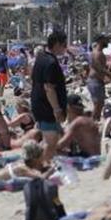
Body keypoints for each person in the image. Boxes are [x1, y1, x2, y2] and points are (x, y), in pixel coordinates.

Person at [31, 30, 68, 162]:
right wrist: (56, 109)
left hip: (38, 103)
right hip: (47, 107)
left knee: (51, 138)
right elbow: (49, 88)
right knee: (50, 142)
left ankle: (40, 162)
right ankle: (40, 166)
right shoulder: (51, 62)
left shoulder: (41, 57)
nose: (65, 48)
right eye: (64, 45)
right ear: (57, 44)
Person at [87, 36, 111, 121]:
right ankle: (92, 123)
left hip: (97, 81)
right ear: (100, 41)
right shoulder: (97, 53)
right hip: (95, 81)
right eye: (106, 40)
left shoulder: (98, 52)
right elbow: (98, 67)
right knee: (98, 104)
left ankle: (95, 122)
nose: (108, 42)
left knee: (100, 104)